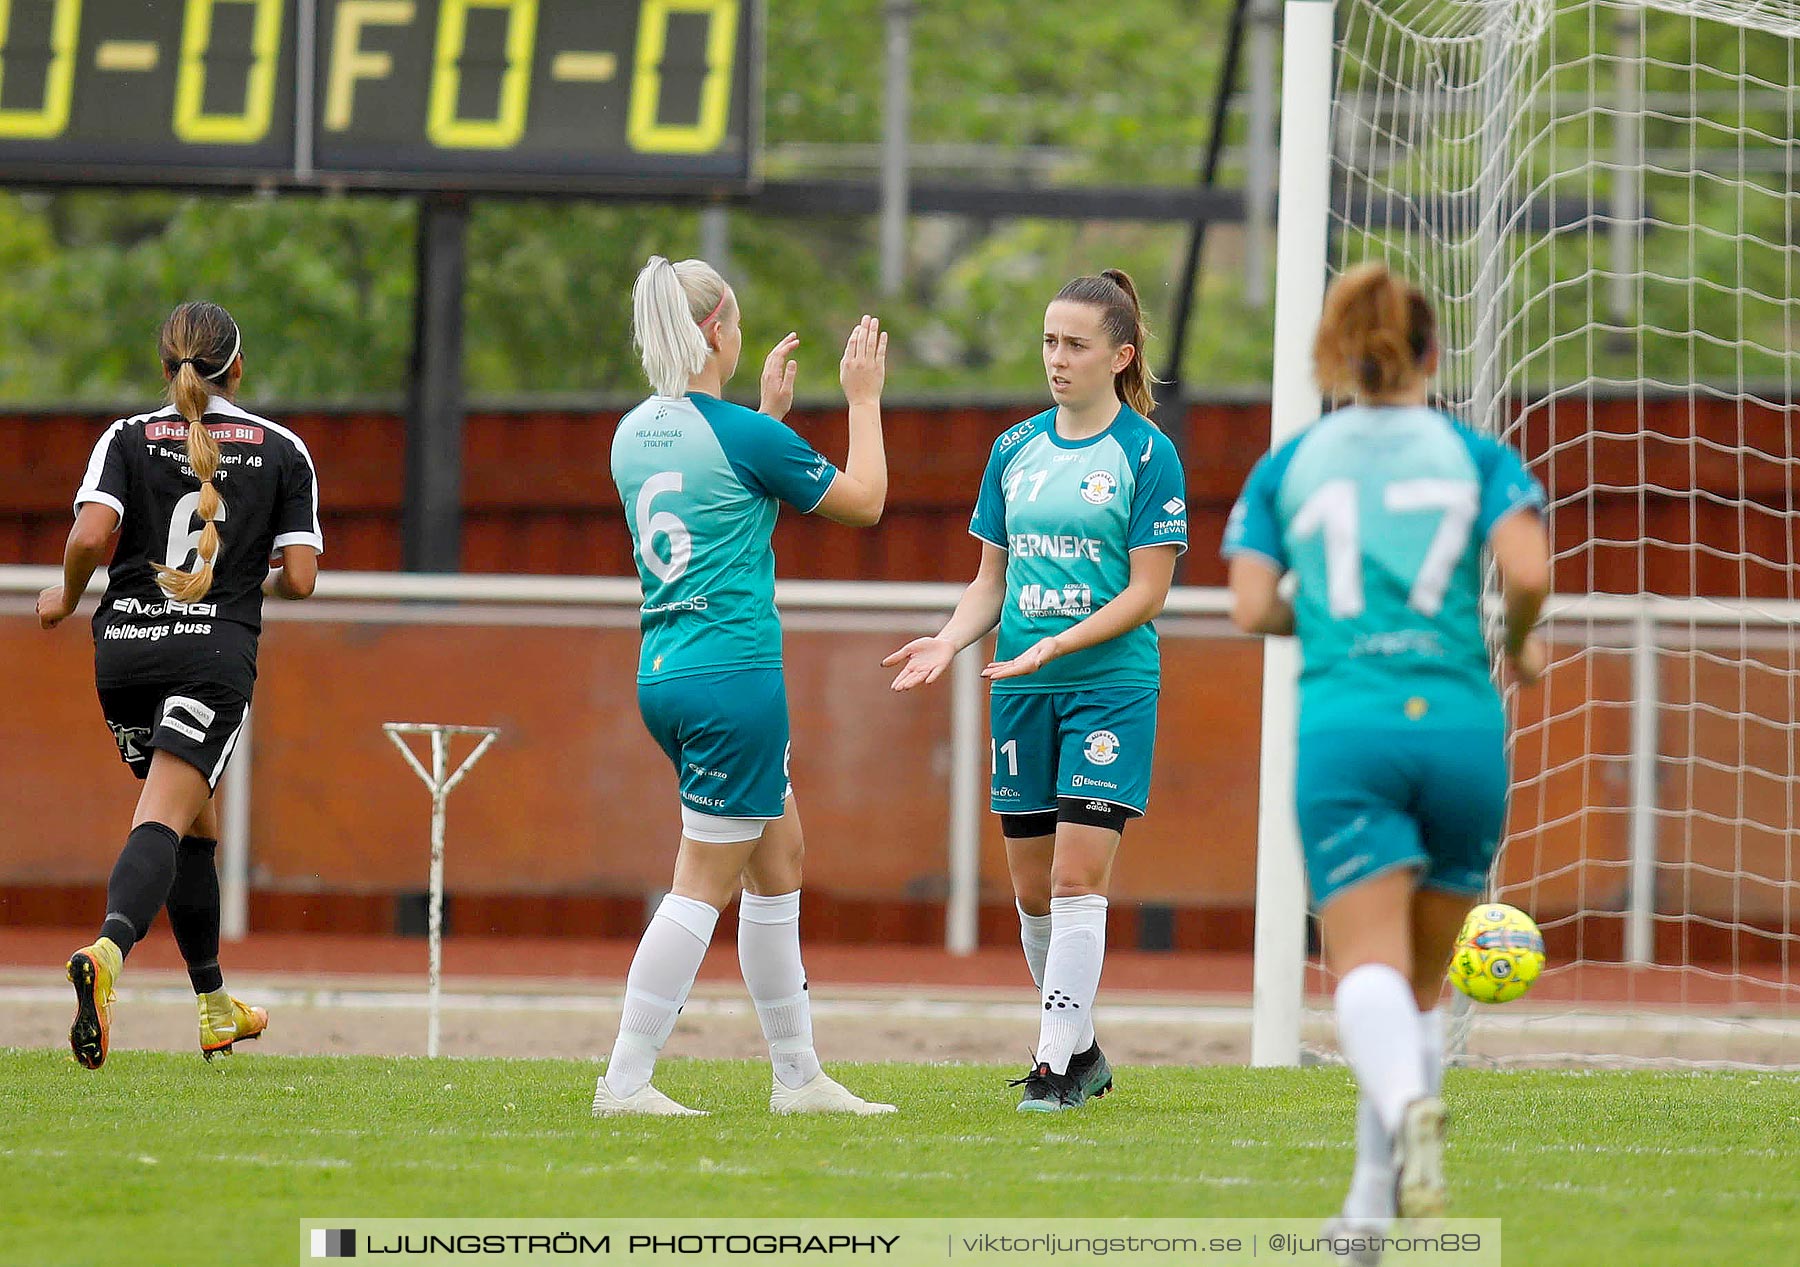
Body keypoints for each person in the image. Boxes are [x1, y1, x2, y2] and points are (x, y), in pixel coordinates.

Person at [1223, 262, 1551, 1228]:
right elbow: (1528, 567)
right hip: (1459, 729)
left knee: (1362, 967)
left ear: (1335, 353)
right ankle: (1368, 1210)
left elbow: (1248, 605)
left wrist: (1321, 617)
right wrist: (1521, 638)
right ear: (1433, 355)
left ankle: (1410, 1105)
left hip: (1349, 729)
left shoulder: (1292, 463)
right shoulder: (1471, 451)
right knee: (1414, 989)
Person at [596, 256, 895, 1116]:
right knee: (701, 880)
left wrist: (765, 417)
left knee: (780, 858)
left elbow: (724, 499)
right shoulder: (741, 435)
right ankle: (626, 1077)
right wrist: (863, 397)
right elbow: (866, 500)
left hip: (667, 671)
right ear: (720, 330)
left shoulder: (632, 432)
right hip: (735, 679)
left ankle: (797, 1076)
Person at [884, 269, 1187, 1112]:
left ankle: (1053, 1067)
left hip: (1108, 687)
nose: (1058, 359)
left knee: (1075, 878)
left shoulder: (1146, 454)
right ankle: (1083, 1049)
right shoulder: (1013, 449)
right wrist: (948, 639)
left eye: (1076, 345)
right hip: (1018, 687)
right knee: (1028, 890)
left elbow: (1147, 593)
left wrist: (1057, 639)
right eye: (1050, 341)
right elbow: (991, 581)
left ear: (1120, 356)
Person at [38, 300, 323, 1069]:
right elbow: (301, 577)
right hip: (209, 658)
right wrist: (244, 575)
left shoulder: (124, 438)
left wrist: (64, 597)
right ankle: (108, 950)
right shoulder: (283, 448)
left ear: (165, 368)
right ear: (238, 367)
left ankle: (214, 1004)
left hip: (123, 653)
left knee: (191, 822)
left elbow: (92, 536)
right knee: (165, 815)